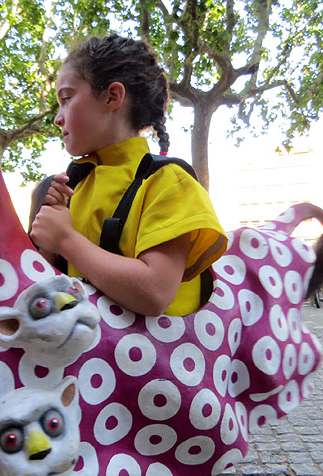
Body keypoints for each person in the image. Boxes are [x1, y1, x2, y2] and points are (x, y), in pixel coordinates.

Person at [30, 35, 226, 317]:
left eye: (67, 98)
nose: (57, 118)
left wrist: (64, 239)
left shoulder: (169, 182)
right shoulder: (70, 188)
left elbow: (155, 293)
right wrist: (46, 237)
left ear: (112, 96)